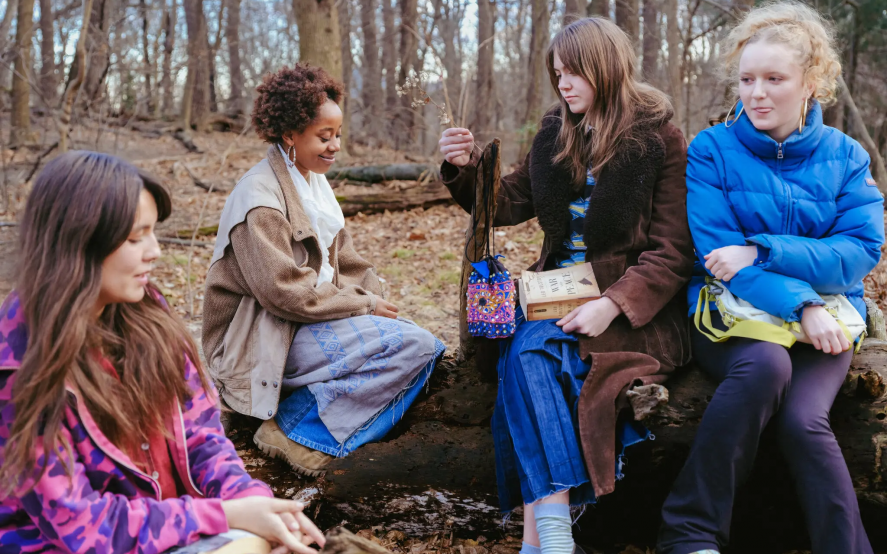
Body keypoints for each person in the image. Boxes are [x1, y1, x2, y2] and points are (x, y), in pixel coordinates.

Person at [438, 18, 694, 554]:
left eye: (574, 72)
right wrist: (465, 168)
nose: (563, 83)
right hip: (554, 292)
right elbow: (507, 202)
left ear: (606, 68)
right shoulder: (558, 130)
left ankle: (544, 537)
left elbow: (672, 251)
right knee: (521, 349)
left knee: (529, 354)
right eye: (557, 73)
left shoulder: (659, 138)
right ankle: (549, 537)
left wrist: (613, 304)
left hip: (632, 310)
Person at [0, 151, 325, 554]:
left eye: (153, 232)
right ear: (76, 242)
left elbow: (202, 436)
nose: (154, 250)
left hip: (170, 529)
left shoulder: (147, 312)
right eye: (135, 238)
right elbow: (82, 527)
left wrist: (254, 503)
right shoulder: (17, 368)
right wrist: (225, 516)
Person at [657, 3, 885, 554]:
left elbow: (858, 252)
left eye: (774, 79)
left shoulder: (846, 156)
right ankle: (689, 535)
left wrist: (763, 249)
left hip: (829, 321)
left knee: (804, 420)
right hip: (732, 315)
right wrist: (803, 302)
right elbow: (720, 259)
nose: (756, 93)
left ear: (811, 83)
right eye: (747, 79)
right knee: (765, 364)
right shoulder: (712, 150)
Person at [203, 64, 445, 478]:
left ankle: (308, 415)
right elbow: (283, 292)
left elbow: (346, 262)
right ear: (289, 134)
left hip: (304, 323)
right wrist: (363, 306)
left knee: (416, 341)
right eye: (324, 136)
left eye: (338, 135)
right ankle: (295, 431)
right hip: (260, 338)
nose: (335, 146)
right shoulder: (259, 199)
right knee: (416, 347)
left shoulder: (312, 183)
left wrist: (377, 302)